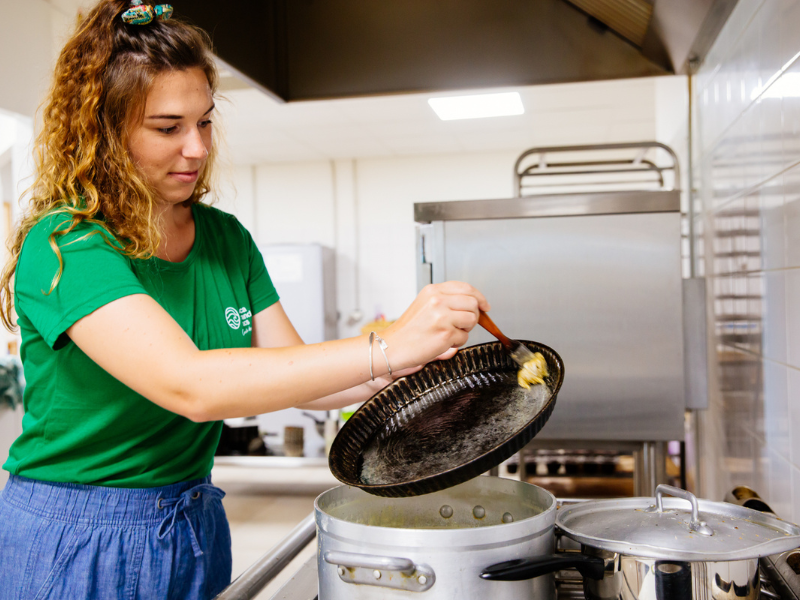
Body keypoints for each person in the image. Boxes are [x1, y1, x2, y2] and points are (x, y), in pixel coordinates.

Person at [0, 1, 488, 598]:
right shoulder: (66, 246)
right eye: (168, 127)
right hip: (80, 534)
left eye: (204, 121)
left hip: (194, 519)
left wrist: (412, 365)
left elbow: (304, 377)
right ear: (105, 131)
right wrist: (387, 342)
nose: (198, 147)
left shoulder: (225, 239)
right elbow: (191, 386)